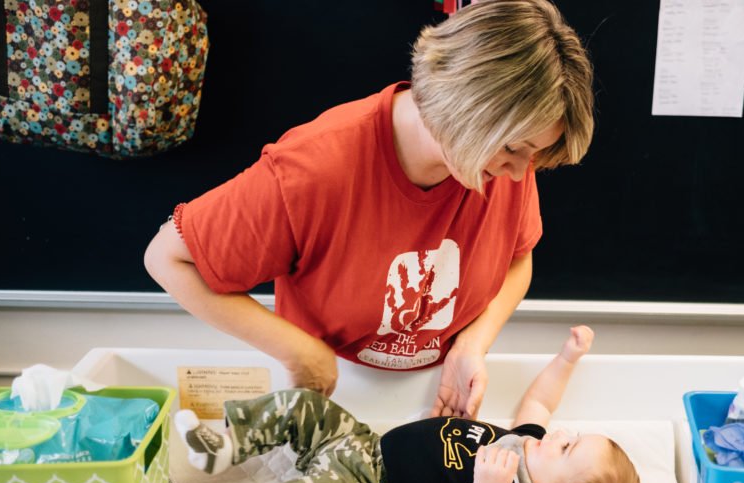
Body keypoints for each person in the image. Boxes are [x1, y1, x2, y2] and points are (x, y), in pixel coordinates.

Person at [144, 0, 595, 419]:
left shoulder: (504, 162)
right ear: (463, 109)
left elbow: (519, 257)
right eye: (514, 149)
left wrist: (472, 344)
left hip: (435, 389)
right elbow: (168, 259)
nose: (520, 175)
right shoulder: (314, 169)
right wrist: (300, 353)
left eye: (534, 155)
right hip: (334, 391)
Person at [175, 326, 643, 483]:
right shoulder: (527, 444)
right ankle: (226, 445)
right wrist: (568, 358)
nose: (561, 435)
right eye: (573, 436)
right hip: (365, 444)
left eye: (568, 448)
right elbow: (540, 404)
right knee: (304, 404)